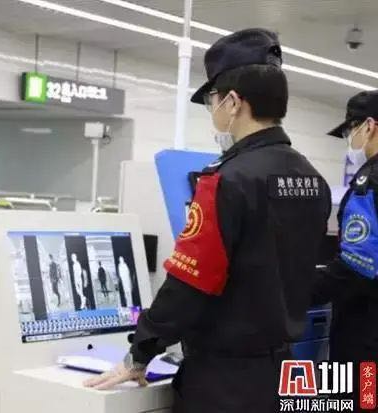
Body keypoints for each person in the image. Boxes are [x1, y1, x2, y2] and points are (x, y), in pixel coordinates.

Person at [85, 28, 331, 413]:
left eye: (211, 98)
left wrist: (140, 352)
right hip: (287, 374)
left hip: (224, 383)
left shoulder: (227, 180)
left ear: (232, 102)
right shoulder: (313, 180)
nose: (212, 108)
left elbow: (190, 282)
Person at [313, 90, 378, 411]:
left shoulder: (369, 182)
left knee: (361, 402)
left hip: (364, 334)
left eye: (349, 130)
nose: (349, 140)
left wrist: (298, 291)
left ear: (369, 126)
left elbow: (357, 264)